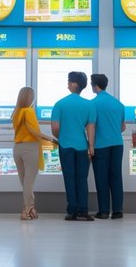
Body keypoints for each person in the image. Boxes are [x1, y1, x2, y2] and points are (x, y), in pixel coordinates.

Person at [51, 71, 95, 221]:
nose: (68, 84)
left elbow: (55, 128)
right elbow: (90, 128)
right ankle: (83, 210)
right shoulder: (88, 105)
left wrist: (63, 137)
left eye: (69, 81)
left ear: (74, 84)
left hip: (65, 145)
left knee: (69, 177)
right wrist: (91, 147)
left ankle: (73, 211)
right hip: (82, 146)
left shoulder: (60, 104)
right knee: (82, 178)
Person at [11, 86, 55, 220]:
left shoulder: (16, 112)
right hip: (30, 149)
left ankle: (30, 209)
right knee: (29, 182)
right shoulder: (29, 112)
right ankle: (27, 210)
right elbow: (32, 130)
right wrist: (49, 138)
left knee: (24, 182)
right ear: (31, 98)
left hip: (17, 149)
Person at [89, 73, 126, 219]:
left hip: (101, 145)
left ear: (94, 85)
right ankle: (118, 211)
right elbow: (122, 127)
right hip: (117, 144)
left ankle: (103, 211)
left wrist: (91, 144)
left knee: (101, 177)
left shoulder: (92, 104)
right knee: (116, 176)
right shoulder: (118, 104)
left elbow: (91, 126)